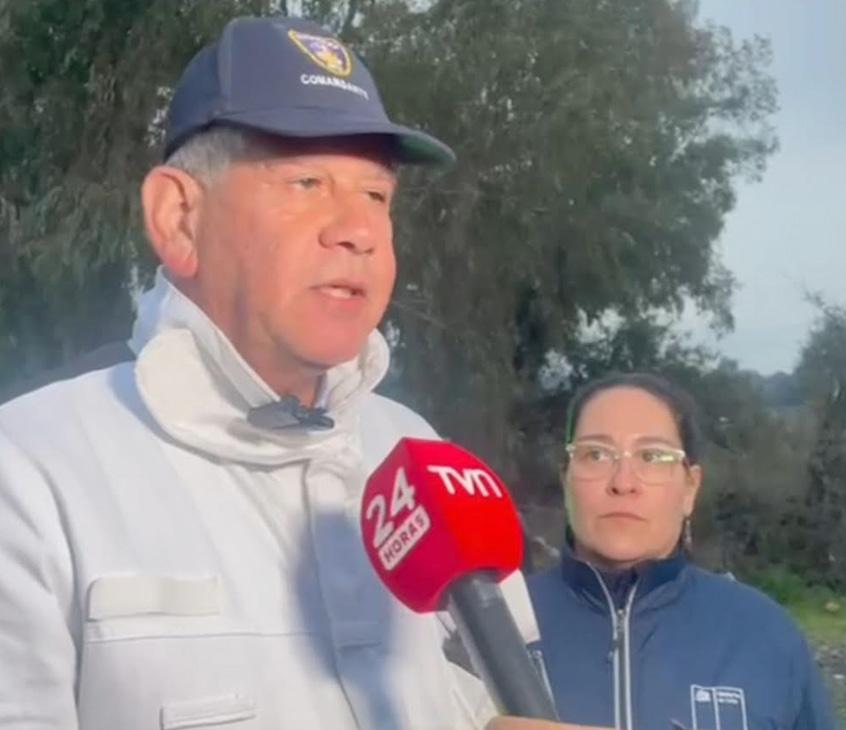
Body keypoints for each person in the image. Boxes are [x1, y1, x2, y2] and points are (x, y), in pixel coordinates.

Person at [0, 14, 603, 730]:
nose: (359, 230)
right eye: (308, 182)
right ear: (179, 218)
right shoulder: (30, 472)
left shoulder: (423, 457)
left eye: (377, 196)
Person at [528, 372, 836, 730]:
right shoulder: (494, 629)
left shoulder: (765, 635)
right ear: (566, 478)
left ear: (690, 487)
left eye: (652, 456)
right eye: (596, 454)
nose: (623, 482)